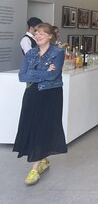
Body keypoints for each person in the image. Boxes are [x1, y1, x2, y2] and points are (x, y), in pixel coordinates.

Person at [14, 23, 67, 185]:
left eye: (42, 34)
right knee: (32, 125)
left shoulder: (58, 52)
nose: (38, 36)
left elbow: (53, 76)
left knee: (44, 126)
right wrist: (43, 72)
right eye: (36, 34)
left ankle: (34, 169)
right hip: (32, 93)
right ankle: (43, 159)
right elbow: (22, 76)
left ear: (50, 36)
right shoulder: (30, 53)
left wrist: (35, 73)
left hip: (50, 94)